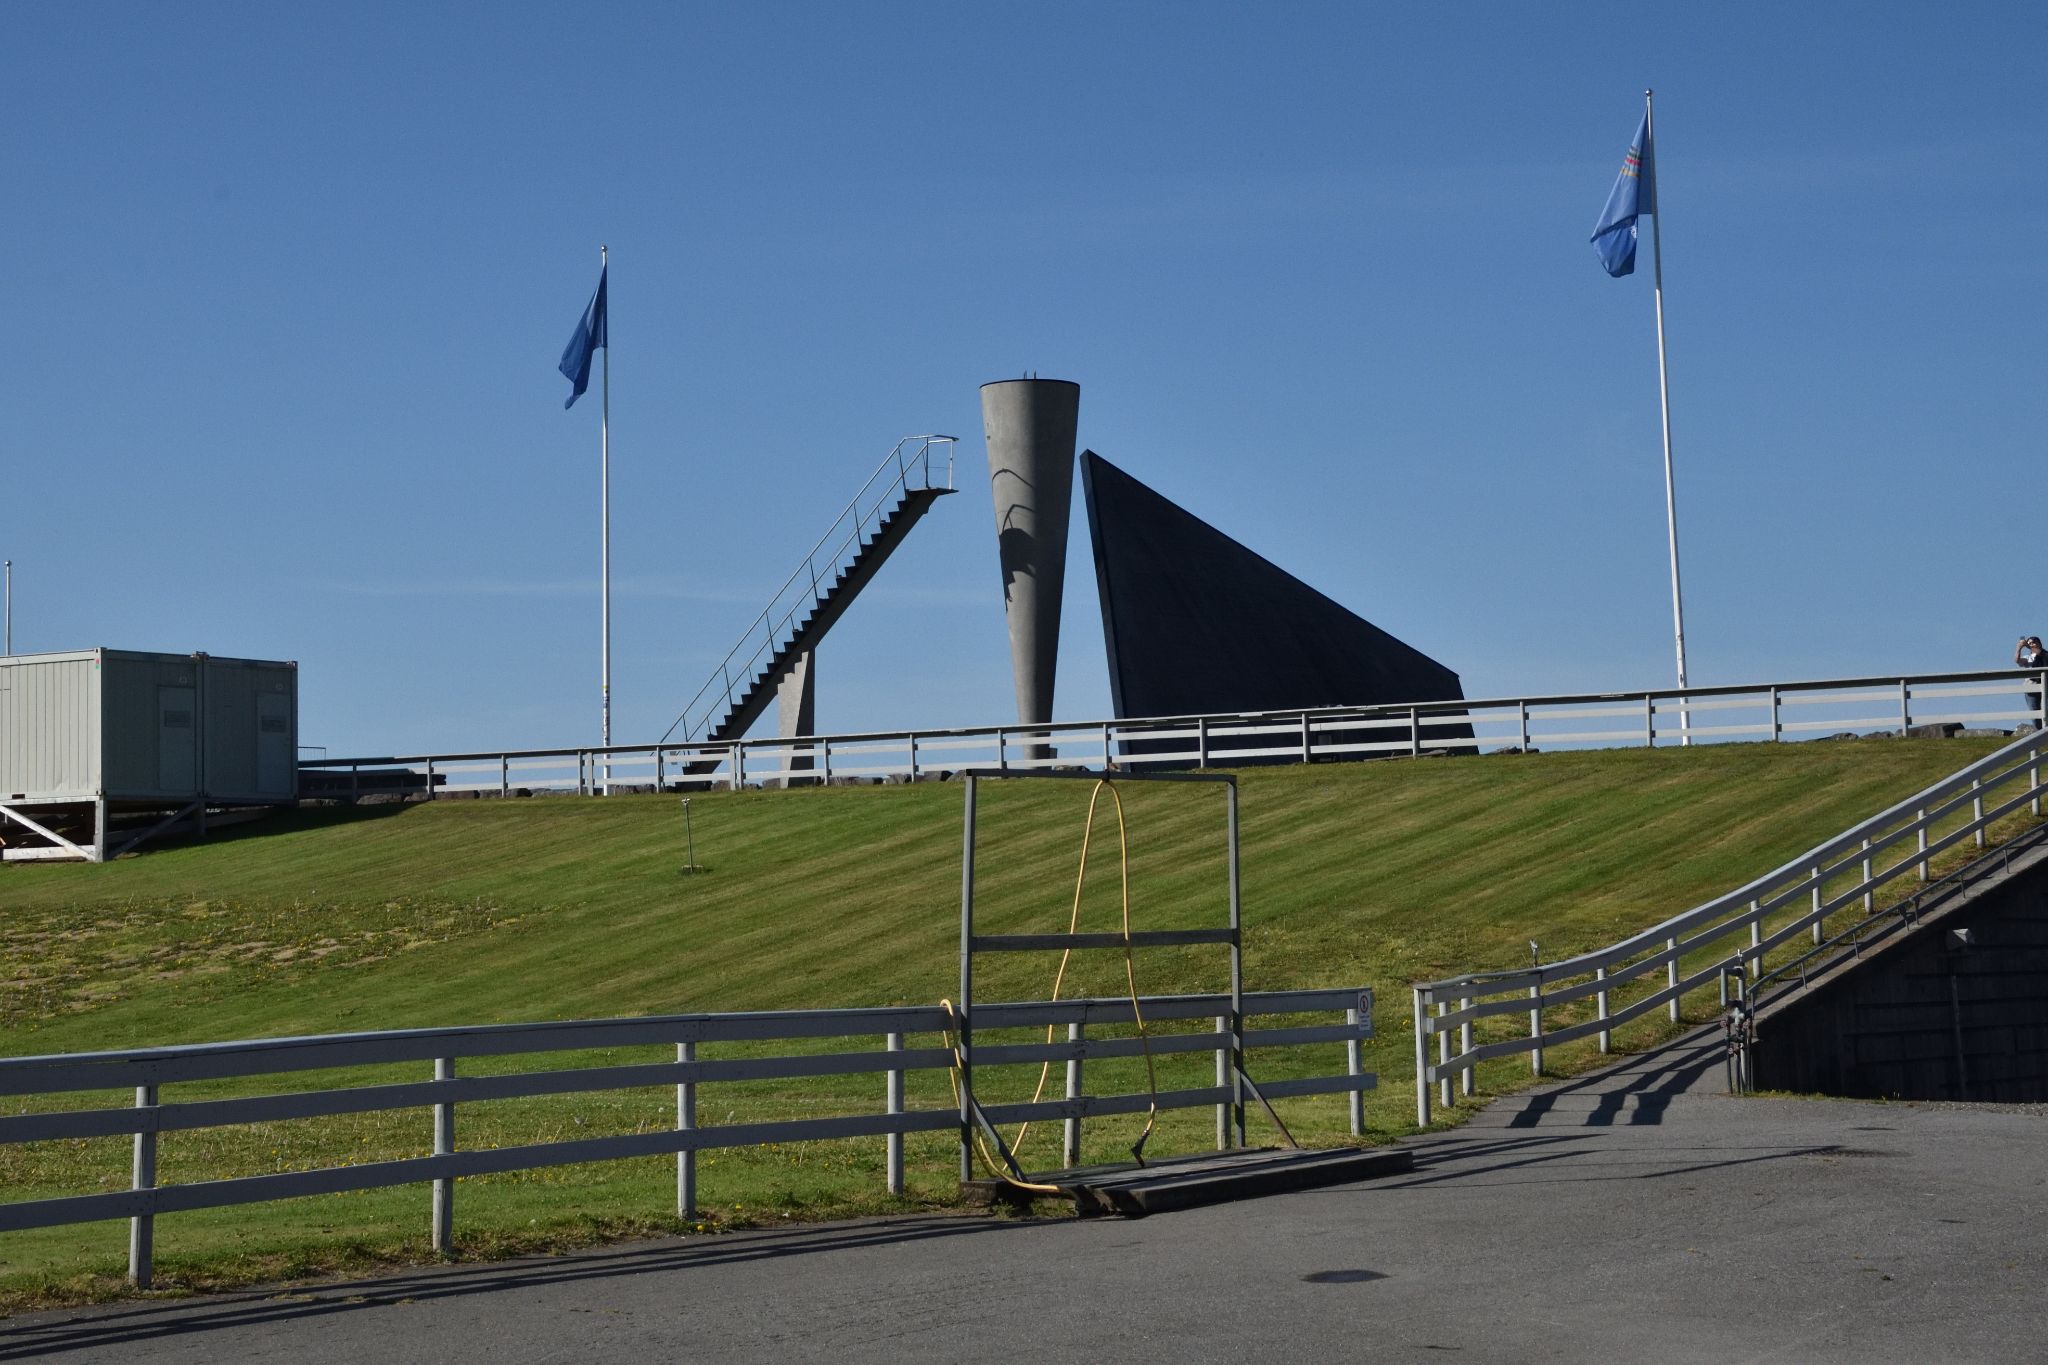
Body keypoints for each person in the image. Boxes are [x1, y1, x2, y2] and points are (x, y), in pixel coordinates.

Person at [2018, 636, 2046, 728]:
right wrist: (2019, 647)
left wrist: (2028, 646)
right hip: (2031, 687)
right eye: (2029, 643)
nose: (2031, 644)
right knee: (2034, 712)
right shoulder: (2027, 657)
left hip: (2045, 685)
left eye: (2033, 642)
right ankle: (2039, 733)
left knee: (2046, 710)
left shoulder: (2045, 655)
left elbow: (2039, 651)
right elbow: (2017, 660)